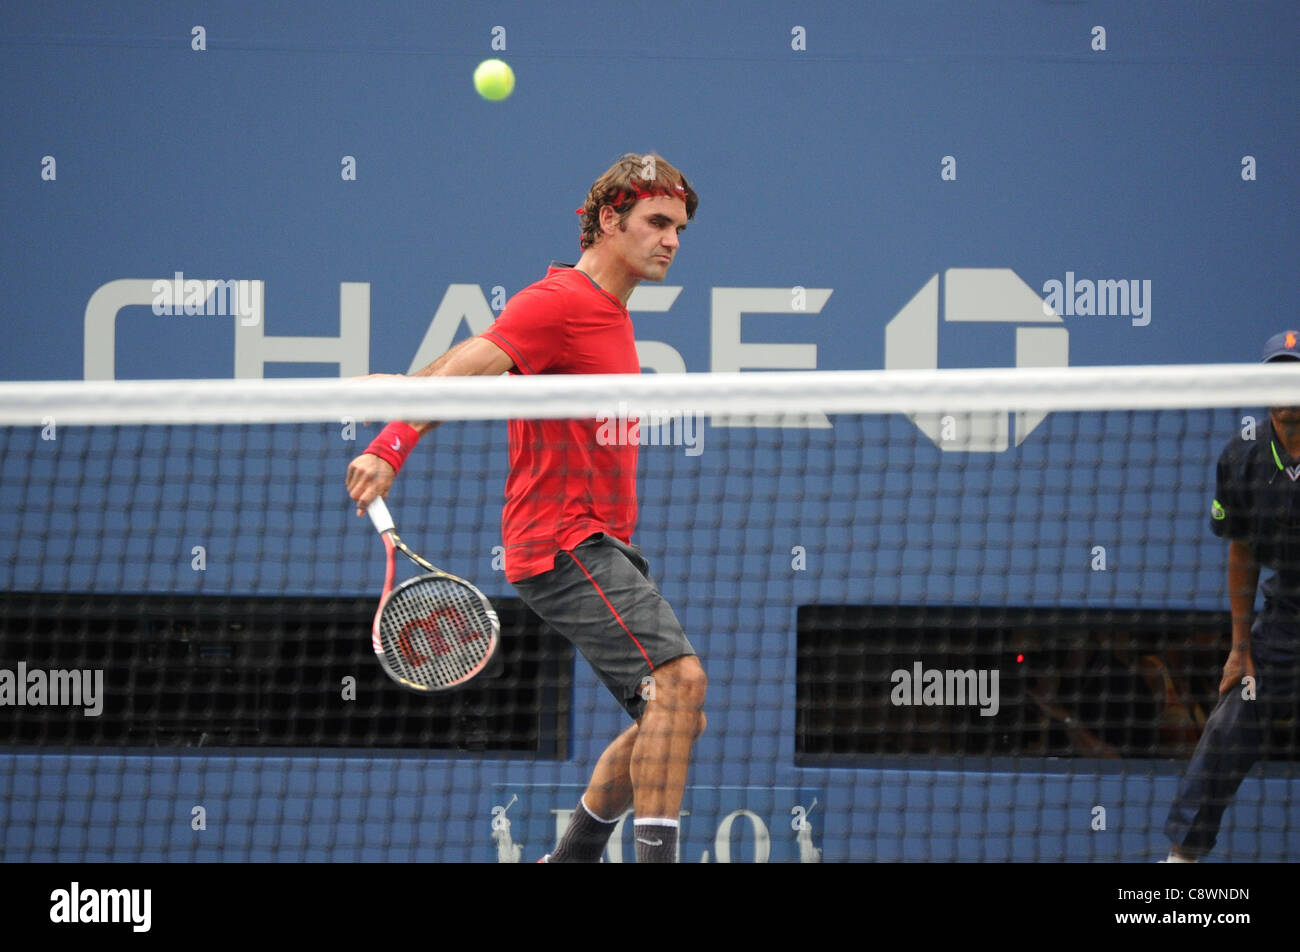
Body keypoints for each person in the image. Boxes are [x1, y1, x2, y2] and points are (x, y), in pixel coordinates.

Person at [346, 153, 704, 863]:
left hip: (602, 544)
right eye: (657, 223)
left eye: (680, 228)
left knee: (668, 717)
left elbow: (469, 373)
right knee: (680, 683)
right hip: (567, 544)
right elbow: (478, 361)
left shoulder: (608, 316)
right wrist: (392, 443)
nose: (672, 240)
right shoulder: (562, 302)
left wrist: (409, 387)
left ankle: (569, 860)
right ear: (609, 220)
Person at [1163, 330, 1300, 861]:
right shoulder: (1242, 458)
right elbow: (1241, 553)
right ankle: (1180, 865)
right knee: (1230, 723)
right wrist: (1240, 648)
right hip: (1287, 616)